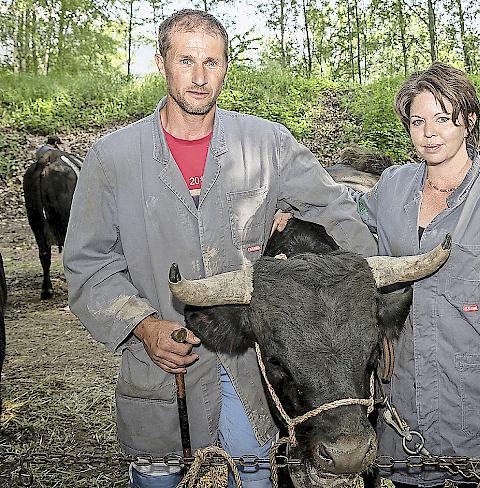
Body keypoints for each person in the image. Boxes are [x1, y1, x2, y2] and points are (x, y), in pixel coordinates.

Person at [62, 9, 377, 488]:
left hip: (247, 360)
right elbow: (88, 263)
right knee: (156, 478)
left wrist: (364, 286)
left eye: (213, 62)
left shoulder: (267, 143)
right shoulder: (113, 159)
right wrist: (143, 325)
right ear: (161, 62)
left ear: (227, 65)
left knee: (253, 476)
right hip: (163, 365)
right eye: (186, 61)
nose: (200, 77)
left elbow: (335, 210)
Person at [275, 61, 480, 487]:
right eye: (418, 121)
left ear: (469, 121)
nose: (428, 133)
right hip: (403, 390)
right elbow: (349, 215)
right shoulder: (394, 186)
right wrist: (296, 210)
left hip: (475, 393)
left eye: (442, 119)